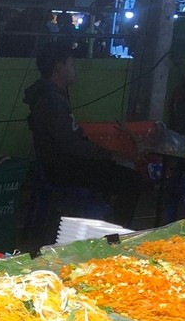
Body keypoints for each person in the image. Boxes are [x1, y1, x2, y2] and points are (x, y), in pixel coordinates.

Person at [22, 43, 142, 226]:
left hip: (58, 164)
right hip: (63, 169)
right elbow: (73, 146)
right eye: (71, 64)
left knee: (119, 170)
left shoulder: (49, 96)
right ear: (58, 68)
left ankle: (109, 223)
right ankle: (117, 231)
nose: (74, 69)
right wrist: (110, 155)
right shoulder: (52, 101)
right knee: (132, 179)